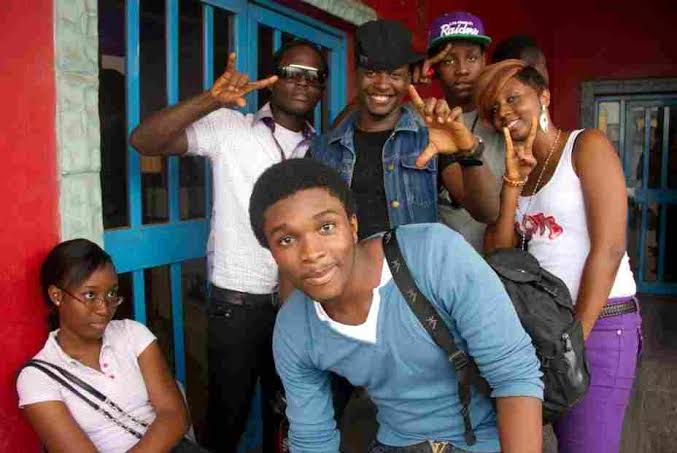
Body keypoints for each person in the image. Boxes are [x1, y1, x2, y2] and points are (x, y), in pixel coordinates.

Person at [248, 158, 544, 453]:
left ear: (352, 225)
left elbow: (514, 375)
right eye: (286, 240)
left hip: (484, 441)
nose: (312, 253)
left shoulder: (433, 255)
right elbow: (313, 437)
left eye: (326, 227)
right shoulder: (294, 328)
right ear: (271, 253)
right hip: (396, 443)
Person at [129, 40, 326, 451]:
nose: (303, 83)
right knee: (225, 424)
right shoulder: (229, 127)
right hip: (237, 307)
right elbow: (145, 141)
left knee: (289, 421)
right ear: (272, 79)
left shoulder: (323, 150)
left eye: (314, 76)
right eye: (292, 72)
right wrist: (210, 99)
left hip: (300, 308)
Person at [479, 60, 641, 453]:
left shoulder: (585, 146)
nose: (504, 112)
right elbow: (500, 256)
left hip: (601, 325)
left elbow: (610, 248)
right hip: (547, 332)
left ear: (545, 97)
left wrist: (573, 343)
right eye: (495, 108)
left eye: (513, 98)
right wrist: (512, 183)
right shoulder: (521, 171)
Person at [311, 19, 497, 244]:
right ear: (356, 74)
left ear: (410, 78)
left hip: (412, 267)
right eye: (371, 73)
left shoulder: (427, 138)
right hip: (348, 267)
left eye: (395, 75)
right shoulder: (323, 149)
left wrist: (470, 150)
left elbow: (487, 212)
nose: (382, 84)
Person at [16, 239, 189, 453]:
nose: (104, 309)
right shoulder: (37, 378)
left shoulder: (132, 334)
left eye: (111, 294)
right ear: (57, 296)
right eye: (90, 295)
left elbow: (175, 415)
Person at [425, 12, 505, 251]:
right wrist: (409, 74)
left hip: (500, 259)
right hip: (445, 261)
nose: (462, 69)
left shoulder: (505, 116)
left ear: (484, 61)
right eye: (449, 61)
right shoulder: (428, 120)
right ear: (434, 67)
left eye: (471, 58)